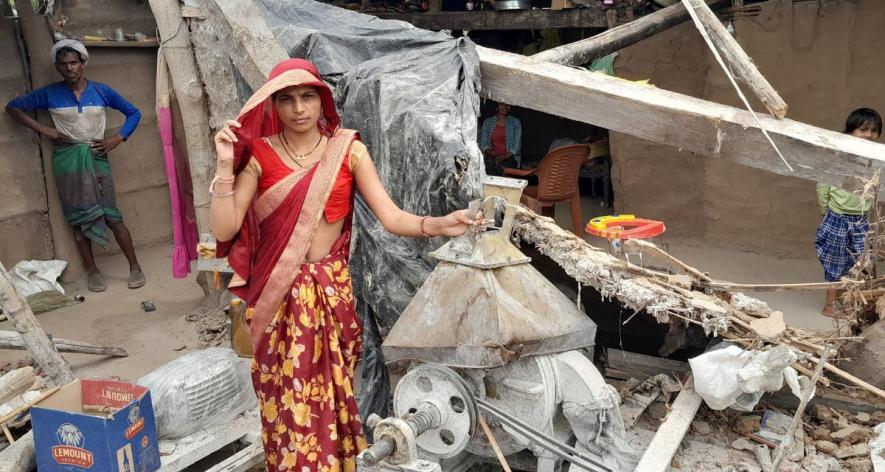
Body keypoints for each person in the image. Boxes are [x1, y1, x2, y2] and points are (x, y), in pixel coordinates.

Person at [210, 58, 480, 471]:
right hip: (276, 297)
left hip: (330, 292)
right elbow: (225, 226)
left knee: (331, 395)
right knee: (286, 397)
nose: (299, 108)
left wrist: (439, 223)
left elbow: (391, 218)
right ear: (273, 105)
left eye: (308, 97)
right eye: (287, 99)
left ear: (322, 102)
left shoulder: (348, 151)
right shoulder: (260, 157)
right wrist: (225, 166)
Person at [5, 39, 144, 292]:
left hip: (95, 157)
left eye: (74, 63)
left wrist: (117, 138)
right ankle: (92, 271)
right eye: (63, 64)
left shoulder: (102, 91)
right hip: (67, 160)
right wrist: (44, 129)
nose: (69, 68)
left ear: (83, 64)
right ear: (57, 67)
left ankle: (135, 267)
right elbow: (12, 108)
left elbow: (134, 112)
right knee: (78, 218)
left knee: (112, 215)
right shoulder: (49, 93)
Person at [816, 107, 882, 318]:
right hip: (837, 217)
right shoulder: (840, 156)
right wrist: (826, 211)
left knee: (864, 263)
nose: (869, 135)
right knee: (835, 262)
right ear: (850, 131)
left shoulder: (875, 159)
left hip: (861, 220)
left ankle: (861, 304)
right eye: (863, 129)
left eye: (874, 130)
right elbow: (822, 186)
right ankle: (830, 306)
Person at [480, 102, 522, 175]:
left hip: (510, 158)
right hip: (492, 156)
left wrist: (503, 157)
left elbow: (516, 147)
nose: (505, 107)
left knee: (503, 169)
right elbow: (484, 144)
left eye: (508, 104)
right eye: (502, 104)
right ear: (496, 107)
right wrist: (494, 154)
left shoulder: (515, 122)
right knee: (489, 166)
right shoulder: (488, 122)